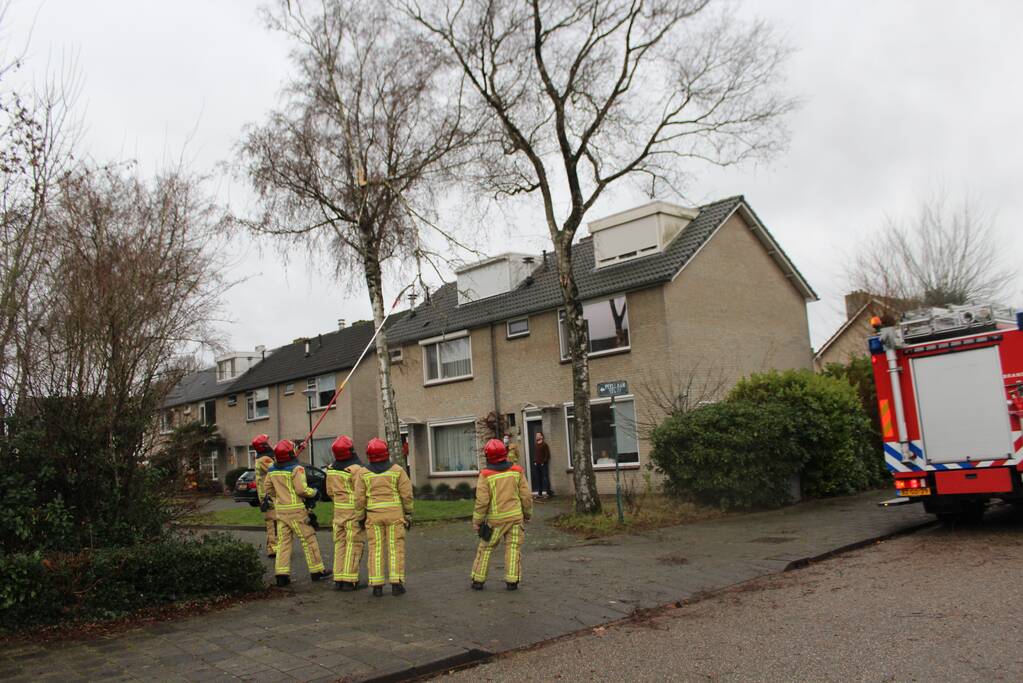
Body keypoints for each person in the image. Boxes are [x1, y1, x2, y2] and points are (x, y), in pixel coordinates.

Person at [354, 438, 414, 597]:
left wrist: (360, 517)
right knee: (396, 548)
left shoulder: (363, 473)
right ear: (386, 452)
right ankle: (396, 583)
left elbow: (359, 499)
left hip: (373, 517)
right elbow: (407, 494)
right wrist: (408, 513)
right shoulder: (397, 470)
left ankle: (377, 585)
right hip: (395, 515)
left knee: (375, 549)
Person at [471, 439, 532, 591]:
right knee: (513, 548)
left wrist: (477, 521)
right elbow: (526, 496)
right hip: (516, 518)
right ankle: (512, 581)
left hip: (495, 521)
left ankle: (478, 580)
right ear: (504, 453)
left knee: (485, 548)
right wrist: (528, 514)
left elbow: (482, 501)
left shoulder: (485, 475)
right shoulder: (517, 471)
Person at [266, 439, 327, 586]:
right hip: (296, 511)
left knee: (283, 543)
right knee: (309, 539)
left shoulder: (272, 469)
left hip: (281, 512)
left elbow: (268, 488)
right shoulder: (296, 469)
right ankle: (317, 571)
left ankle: (281, 575)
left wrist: (279, 498)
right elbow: (301, 490)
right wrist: (314, 493)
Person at [326, 435, 367, 591]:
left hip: (338, 513)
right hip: (353, 513)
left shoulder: (331, 469)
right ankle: (350, 580)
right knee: (354, 544)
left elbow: (329, 492)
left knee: (340, 545)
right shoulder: (356, 469)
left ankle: (339, 578)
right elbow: (361, 494)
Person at [250, 434, 277, 559]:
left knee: (272, 522)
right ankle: (273, 548)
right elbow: (277, 469)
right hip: (268, 497)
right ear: (264, 445)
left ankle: (272, 547)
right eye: (267, 442)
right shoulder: (264, 460)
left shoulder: (263, 458)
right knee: (273, 523)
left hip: (266, 496)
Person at [532, 431, 553, 498]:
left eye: (538, 435)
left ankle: (548, 493)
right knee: (538, 479)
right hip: (536, 464)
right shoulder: (536, 445)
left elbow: (547, 455)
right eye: (536, 435)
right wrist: (535, 462)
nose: (537, 436)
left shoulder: (544, 445)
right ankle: (540, 493)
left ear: (542, 437)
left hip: (543, 465)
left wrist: (543, 462)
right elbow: (536, 455)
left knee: (545, 478)